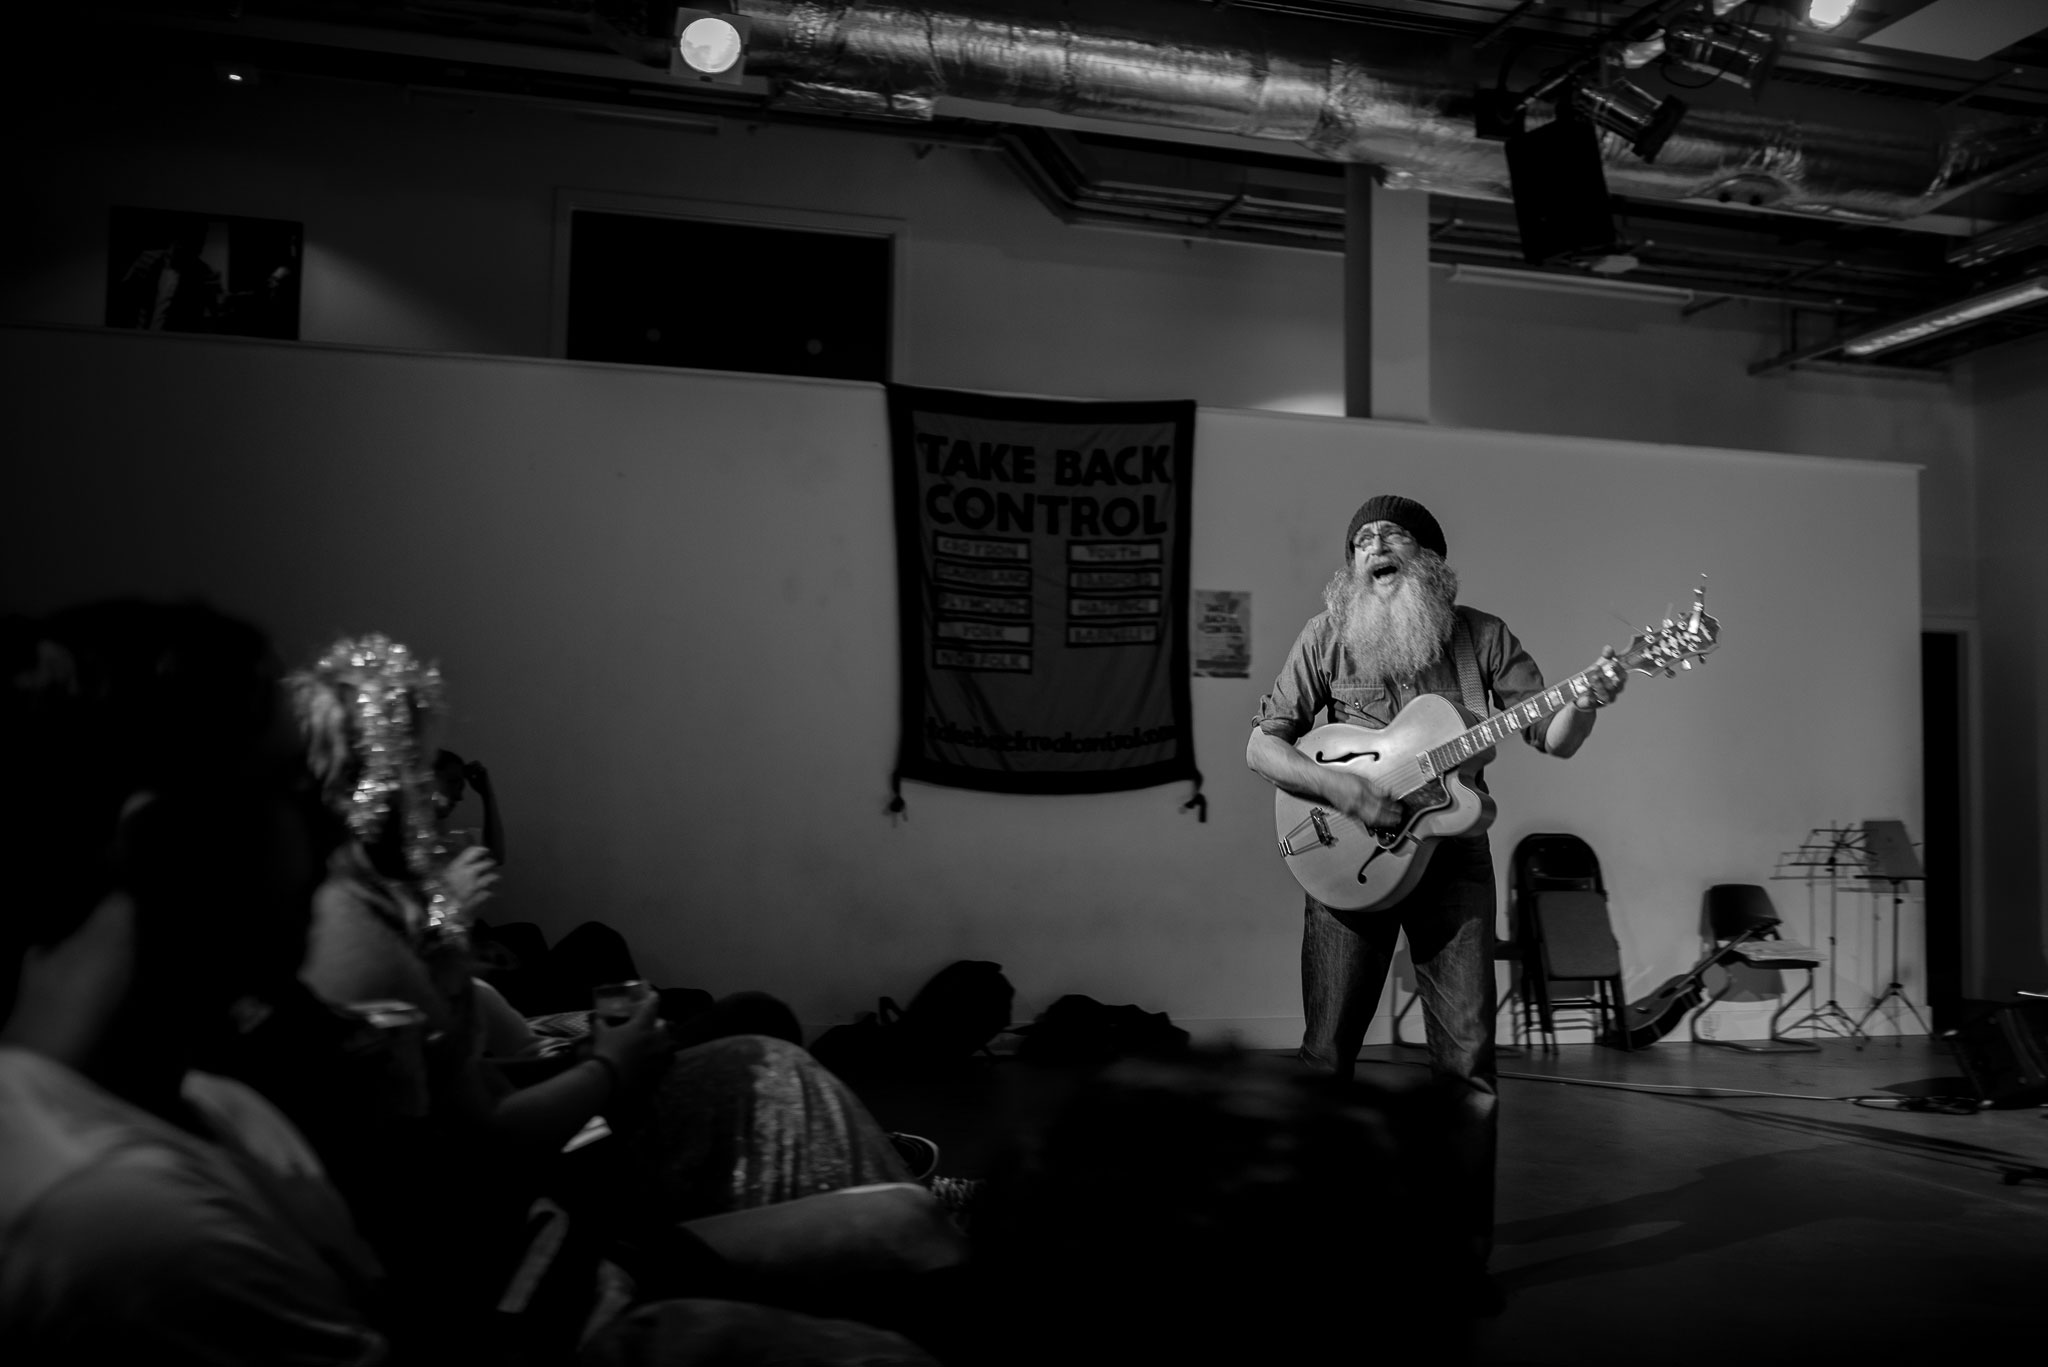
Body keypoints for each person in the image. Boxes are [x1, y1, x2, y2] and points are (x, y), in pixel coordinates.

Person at [1243, 494, 1626, 1298]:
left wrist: (1585, 698)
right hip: (1345, 866)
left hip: (1452, 866)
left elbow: (1551, 737)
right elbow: (1262, 746)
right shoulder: (1326, 637)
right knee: (1325, 1057)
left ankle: (1458, 1262)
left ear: (1429, 564)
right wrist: (1345, 793)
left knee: (1465, 1067)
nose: (1374, 541)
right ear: (1352, 570)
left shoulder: (1483, 636)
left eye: (1394, 534)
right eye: (1361, 538)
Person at [0, 600, 383, 1363]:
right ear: (161, 840)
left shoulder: (219, 1106)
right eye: (289, 788)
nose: (336, 831)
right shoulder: (113, 1220)